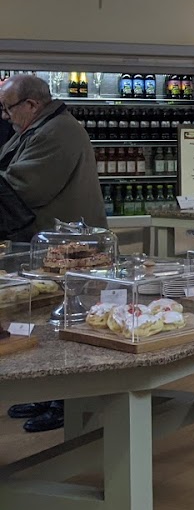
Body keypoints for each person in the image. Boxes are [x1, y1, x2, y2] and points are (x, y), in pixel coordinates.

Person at [0, 74, 106, 434]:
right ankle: (46, 393)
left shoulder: (58, 131)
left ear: (31, 104)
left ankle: (67, 401)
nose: (5, 116)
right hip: (48, 246)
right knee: (45, 320)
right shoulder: (37, 128)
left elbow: (23, 186)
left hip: (68, 251)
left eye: (8, 108)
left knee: (67, 321)